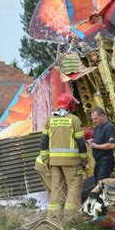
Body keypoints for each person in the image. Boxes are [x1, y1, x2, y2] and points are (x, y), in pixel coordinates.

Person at [39, 93, 88, 223]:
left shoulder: (50, 120)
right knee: (73, 188)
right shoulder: (74, 120)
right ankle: (70, 218)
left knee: (56, 188)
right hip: (71, 162)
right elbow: (81, 142)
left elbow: (43, 141)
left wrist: (46, 159)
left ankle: (54, 218)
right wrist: (84, 158)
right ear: (70, 105)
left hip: (54, 162)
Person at [88, 107, 115, 183]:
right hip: (98, 161)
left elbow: (112, 145)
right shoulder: (98, 127)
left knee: (101, 183)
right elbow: (98, 139)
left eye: (96, 118)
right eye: (93, 119)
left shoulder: (109, 127)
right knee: (96, 181)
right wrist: (92, 140)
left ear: (103, 116)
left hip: (106, 161)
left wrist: (96, 146)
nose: (94, 121)